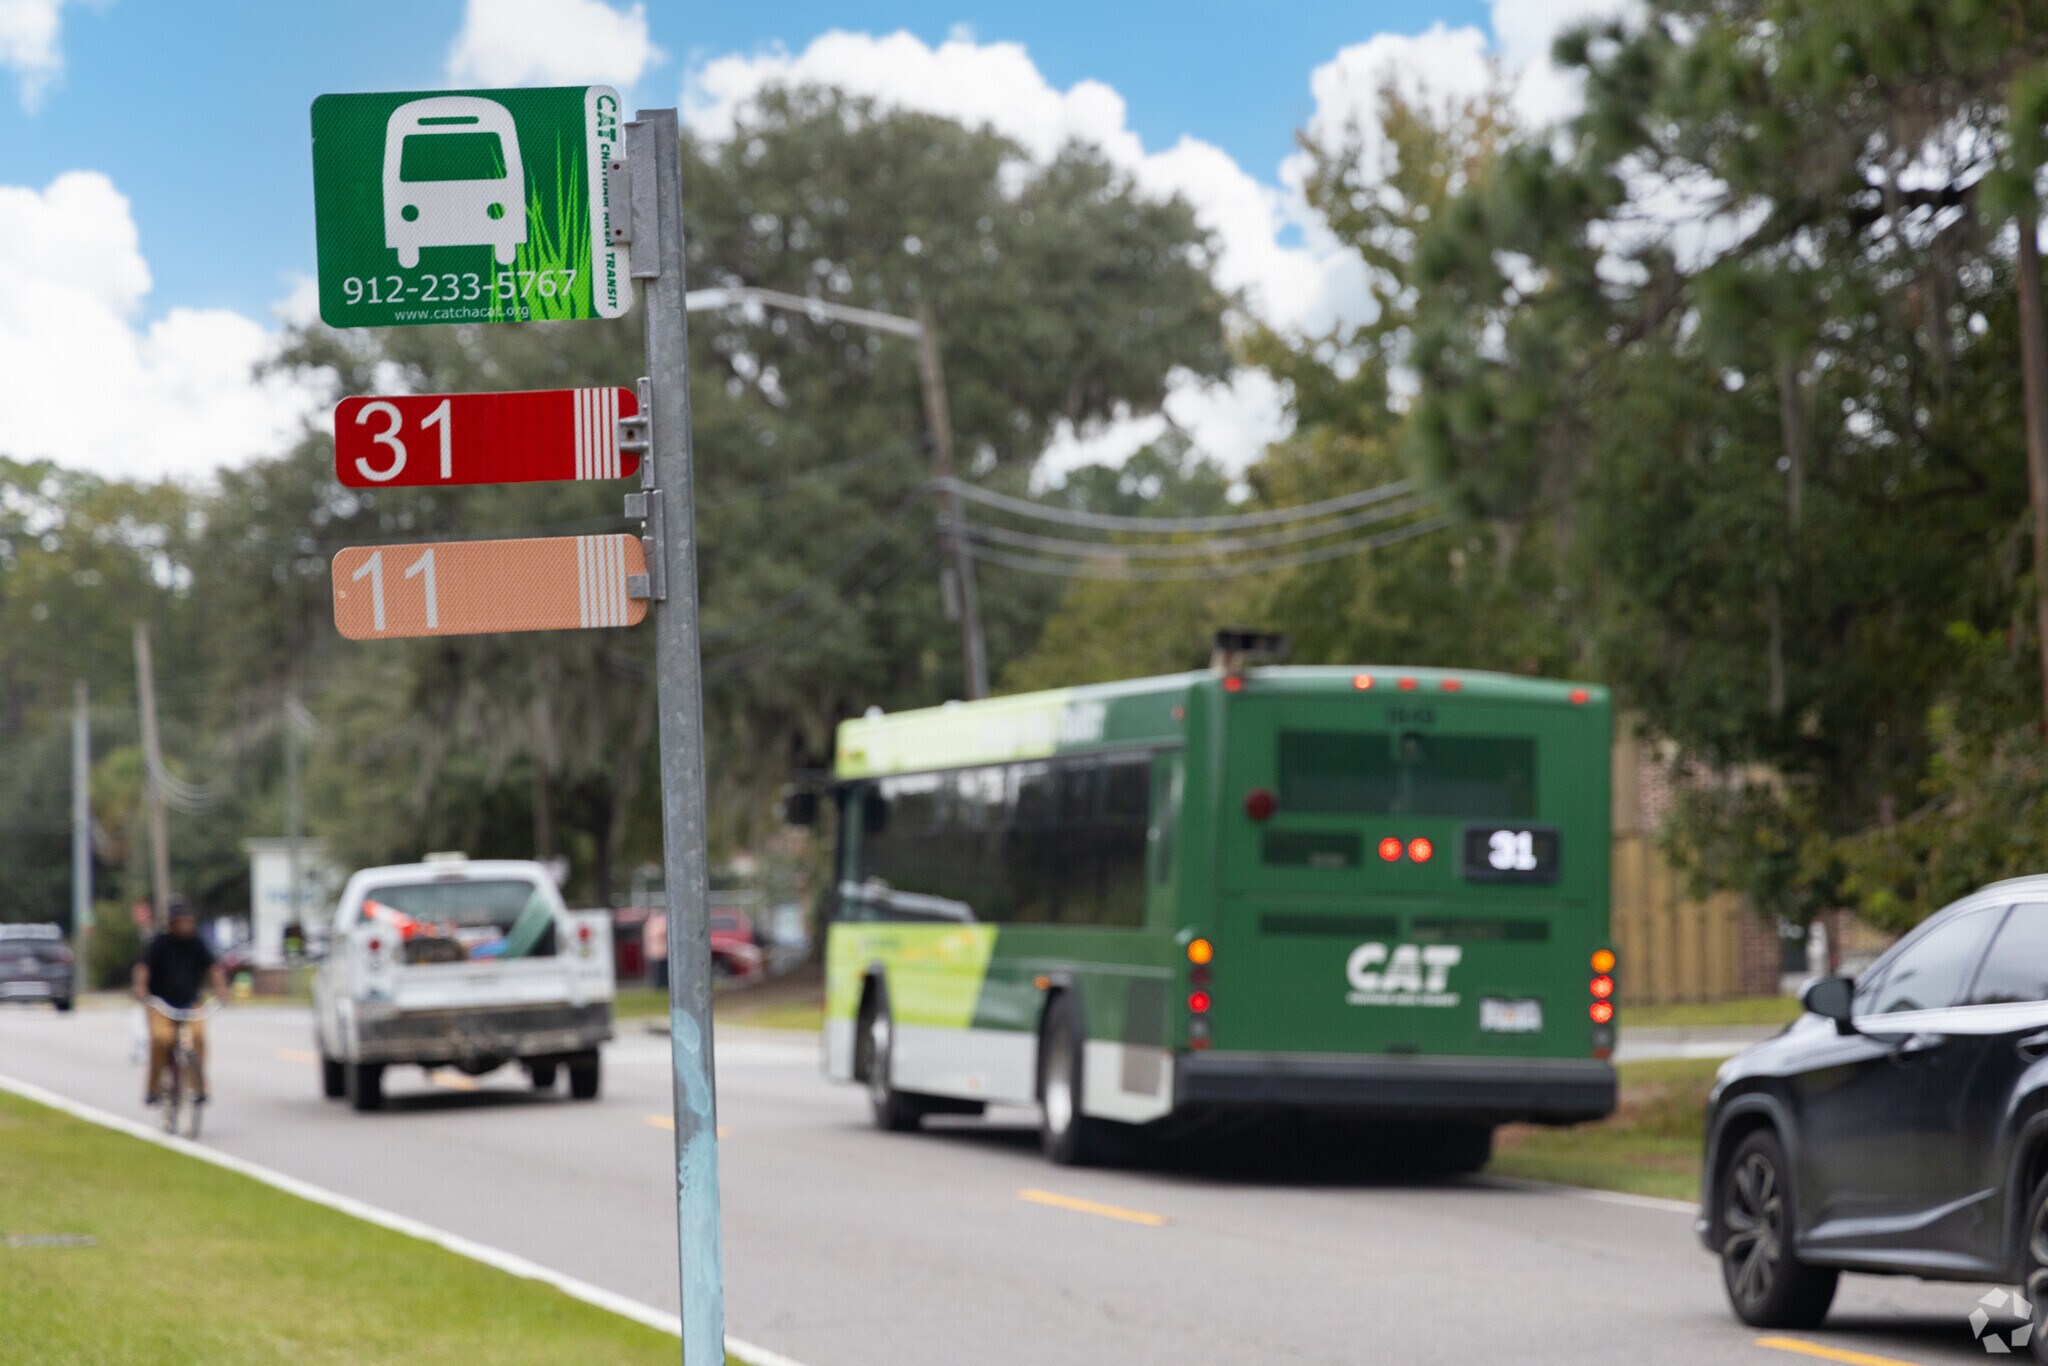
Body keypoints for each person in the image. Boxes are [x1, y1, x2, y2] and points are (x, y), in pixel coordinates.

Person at [133, 897, 227, 1106]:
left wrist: (221, 990)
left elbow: (214, 967)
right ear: (172, 922)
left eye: (188, 919)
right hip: (161, 1004)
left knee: (198, 1036)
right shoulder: (160, 943)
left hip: (190, 1002)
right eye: (181, 920)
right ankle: (154, 1088)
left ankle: (199, 1085)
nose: (186, 924)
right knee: (161, 1039)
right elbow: (143, 967)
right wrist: (141, 988)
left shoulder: (197, 943)